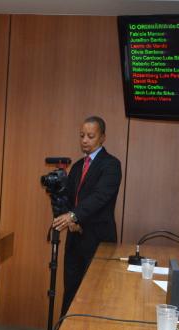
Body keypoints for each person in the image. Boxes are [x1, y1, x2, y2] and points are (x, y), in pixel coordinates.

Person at [52, 116, 122, 315]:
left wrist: (74, 216)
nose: (84, 140)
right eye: (82, 135)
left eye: (90, 136)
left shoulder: (111, 165)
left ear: (102, 137)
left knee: (95, 294)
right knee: (71, 291)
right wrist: (68, 216)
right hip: (75, 238)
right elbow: (69, 199)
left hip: (98, 239)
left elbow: (100, 197)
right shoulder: (77, 166)